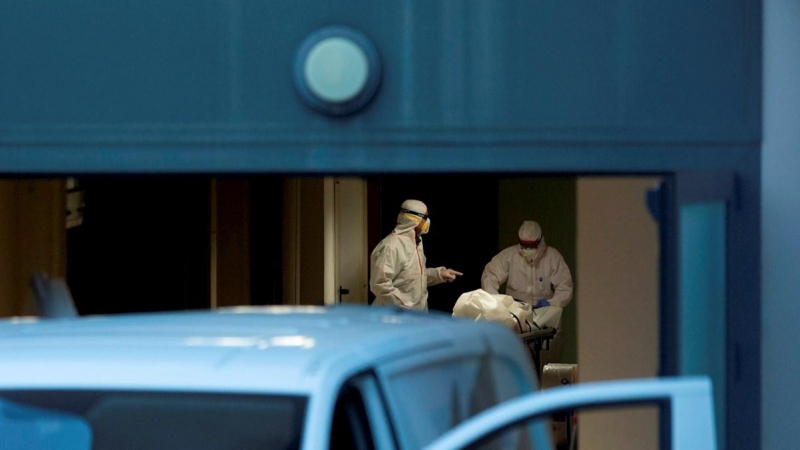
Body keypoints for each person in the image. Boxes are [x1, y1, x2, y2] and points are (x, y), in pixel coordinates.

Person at [370, 199, 463, 311]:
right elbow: (380, 284)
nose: (427, 221)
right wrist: (404, 306)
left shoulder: (416, 241)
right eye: (425, 217)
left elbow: (411, 278)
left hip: (415, 316)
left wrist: (439, 274)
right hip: (395, 317)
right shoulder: (392, 245)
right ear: (414, 219)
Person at [481, 220, 573, 312]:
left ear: (540, 241)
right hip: (516, 314)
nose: (528, 249)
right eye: (524, 245)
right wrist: (496, 302)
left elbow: (565, 286)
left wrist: (552, 303)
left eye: (532, 245)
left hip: (544, 315)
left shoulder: (552, 257)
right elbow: (490, 275)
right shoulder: (509, 256)